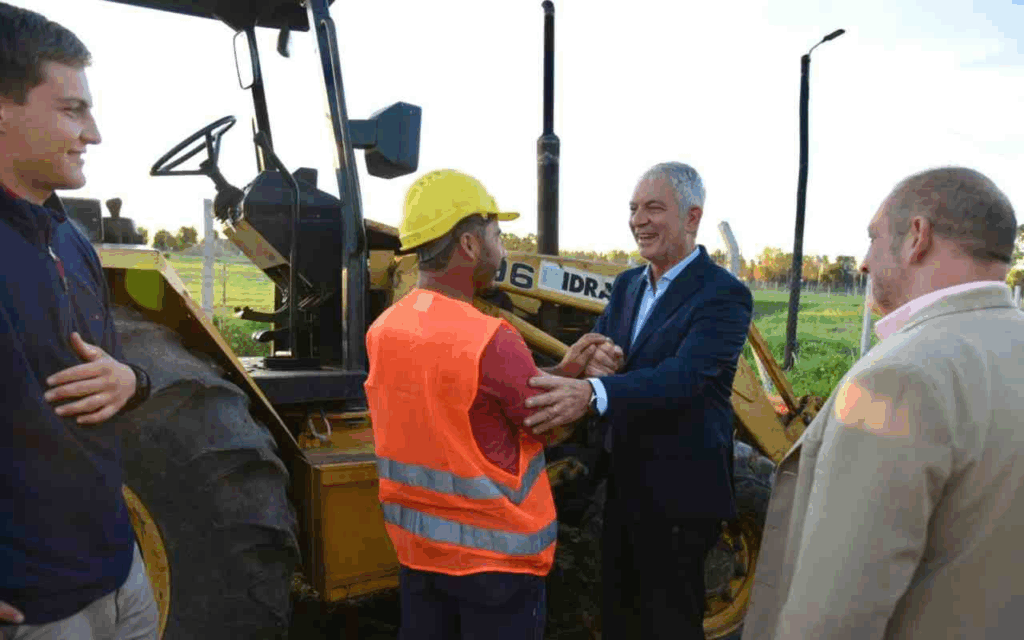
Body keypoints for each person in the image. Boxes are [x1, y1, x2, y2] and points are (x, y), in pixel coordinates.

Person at [742, 166, 1024, 639]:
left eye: (873, 238)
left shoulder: (898, 378)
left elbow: (835, 618)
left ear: (917, 237)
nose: (864, 263)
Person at [363, 168, 617, 640]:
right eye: (497, 237)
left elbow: (470, 405)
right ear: (469, 245)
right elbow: (548, 426)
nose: (502, 251)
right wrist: (589, 391)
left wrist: (564, 372)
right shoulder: (491, 339)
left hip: (420, 555)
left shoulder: (384, 330)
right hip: (495, 568)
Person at [525, 161, 754, 639]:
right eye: (633, 209)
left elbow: (685, 378)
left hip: (681, 492)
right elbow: (607, 343)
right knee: (618, 618)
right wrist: (597, 357)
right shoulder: (629, 284)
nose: (638, 220)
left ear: (692, 217)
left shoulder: (724, 295)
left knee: (668, 623)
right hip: (623, 484)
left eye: (653, 208)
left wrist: (593, 391)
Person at [0, 4, 156, 639]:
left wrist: (133, 380)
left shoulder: (70, 240)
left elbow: (110, 373)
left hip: (122, 575)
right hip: (35, 607)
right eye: (72, 110)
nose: (94, 133)